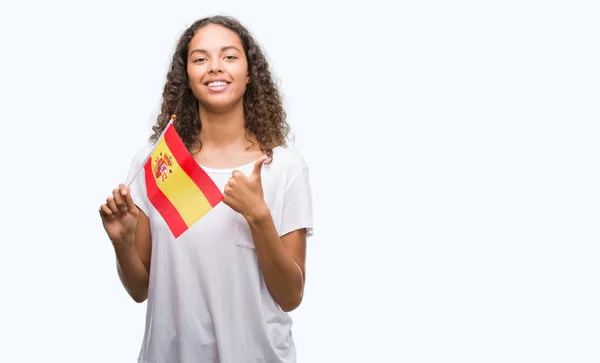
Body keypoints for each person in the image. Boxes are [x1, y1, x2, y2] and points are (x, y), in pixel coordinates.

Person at [98, 15, 314, 363]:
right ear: (187, 78)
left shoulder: (282, 167)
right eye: (200, 59)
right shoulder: (161, 163)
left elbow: (291, 295)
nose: (215, 67)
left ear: (249, 73)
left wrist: (257, 215)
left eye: (229, 56)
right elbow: (140, 289)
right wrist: (122, 242)